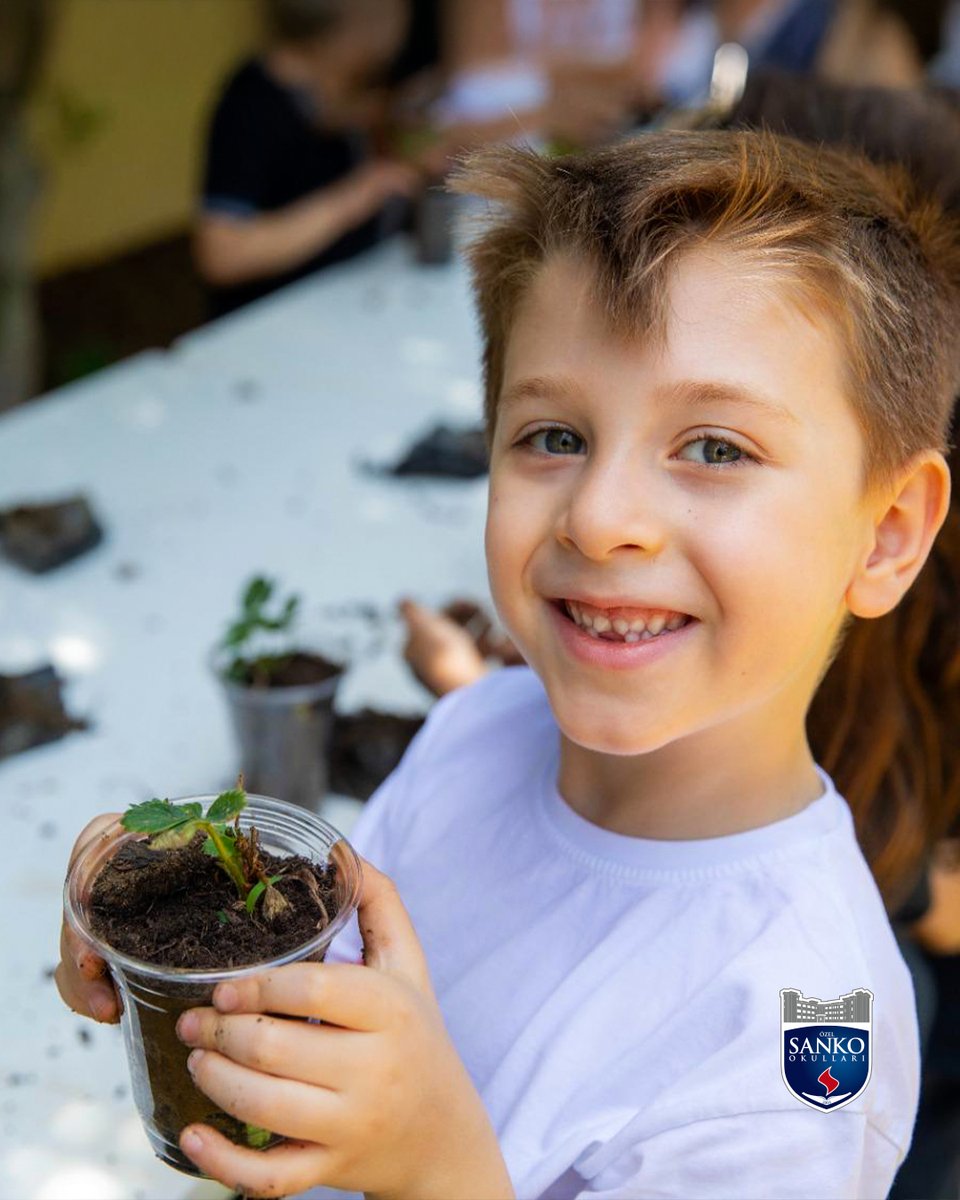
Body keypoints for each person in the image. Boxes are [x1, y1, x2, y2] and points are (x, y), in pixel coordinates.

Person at [58, 127, 960, 1198]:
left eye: (716, 448)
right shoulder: (478, 726)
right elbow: (342, 989)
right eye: (553, 437)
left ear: (890, 533)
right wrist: (198, 959)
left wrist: (436, 1162)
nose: (603, 516)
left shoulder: (795, 1033)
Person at [195, 0, 420, 317]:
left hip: (347, 301)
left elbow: (340, 127)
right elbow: (222, 255)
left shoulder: (340, 86)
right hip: (271, 321)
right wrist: (353, 198)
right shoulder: (249, 105)